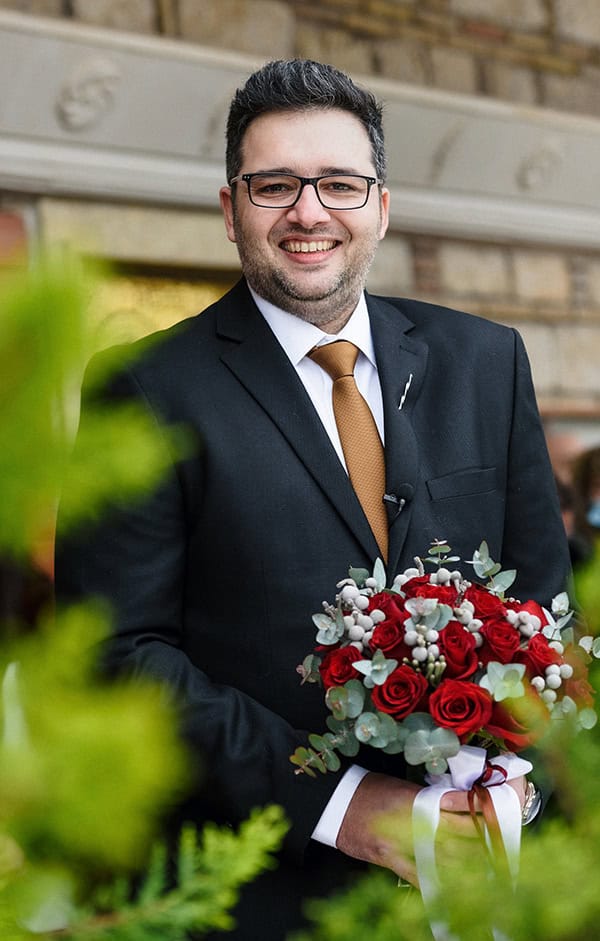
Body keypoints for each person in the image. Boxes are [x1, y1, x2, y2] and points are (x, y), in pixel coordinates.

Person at [55, 59, 571, 939]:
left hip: (493, 884)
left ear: (379, 206)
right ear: (231, 210)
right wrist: (344, 803)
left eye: (339, 182)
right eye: (274, 185)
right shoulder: (144, 387)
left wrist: (527, 783)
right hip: (265, 891)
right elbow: (119, 654)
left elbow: (547, 613)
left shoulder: (486, 361)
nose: (308, 211)